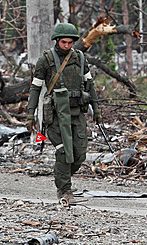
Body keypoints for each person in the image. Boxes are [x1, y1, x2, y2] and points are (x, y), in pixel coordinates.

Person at [26, 22, 101, 204]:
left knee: (79, 154)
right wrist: (31, 114)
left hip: (77, 113)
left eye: (70, 42)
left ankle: (62, 176)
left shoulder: (80, 59)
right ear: (57, 41)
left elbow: (89, 85)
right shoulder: (46, 60)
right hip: (55, 116)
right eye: (63, 42)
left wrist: (96, 109)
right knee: (63, 152)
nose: (67, 46)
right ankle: (64, 189)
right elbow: (35, 88)